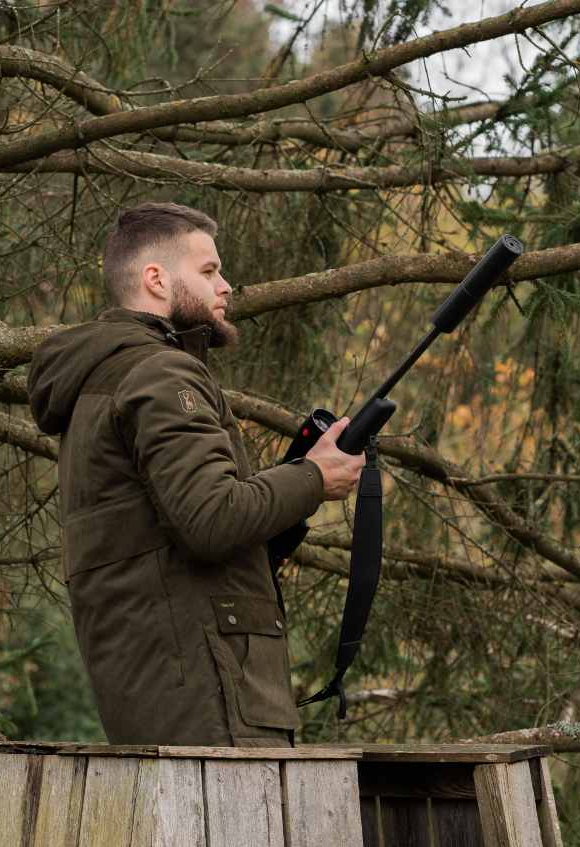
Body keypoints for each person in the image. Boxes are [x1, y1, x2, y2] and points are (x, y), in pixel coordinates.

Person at [28, 201, 364, 745]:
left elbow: (172, 531)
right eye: (208, 271)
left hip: (169, 686)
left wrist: (296, 485)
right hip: (210, 696)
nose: (226, 287)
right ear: (156, 279)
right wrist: (314, 479)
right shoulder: (160, 371)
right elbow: (211, 520)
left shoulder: (104, 379)